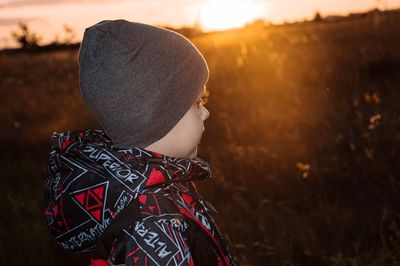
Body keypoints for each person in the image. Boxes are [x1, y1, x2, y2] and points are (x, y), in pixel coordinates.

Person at [43, 19, 237, 266]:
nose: (206, 113)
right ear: (159, 116)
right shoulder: (151, 227)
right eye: (198, 103)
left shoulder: (148, 181)